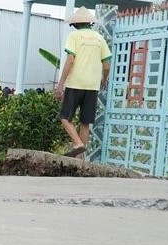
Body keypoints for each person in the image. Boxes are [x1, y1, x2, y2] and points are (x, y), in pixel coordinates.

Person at [54, 7, 111, 159]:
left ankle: (78, 144)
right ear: (90, 23)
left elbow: (70, 60)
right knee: (85, 122)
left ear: (75, 24)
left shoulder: (74, 36)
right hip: (92, 86)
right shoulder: (99, 38)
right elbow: (106, 65)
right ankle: (80, 161)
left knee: (65, 117)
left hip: (75, 83)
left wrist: (60, 84)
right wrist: (104, 79)